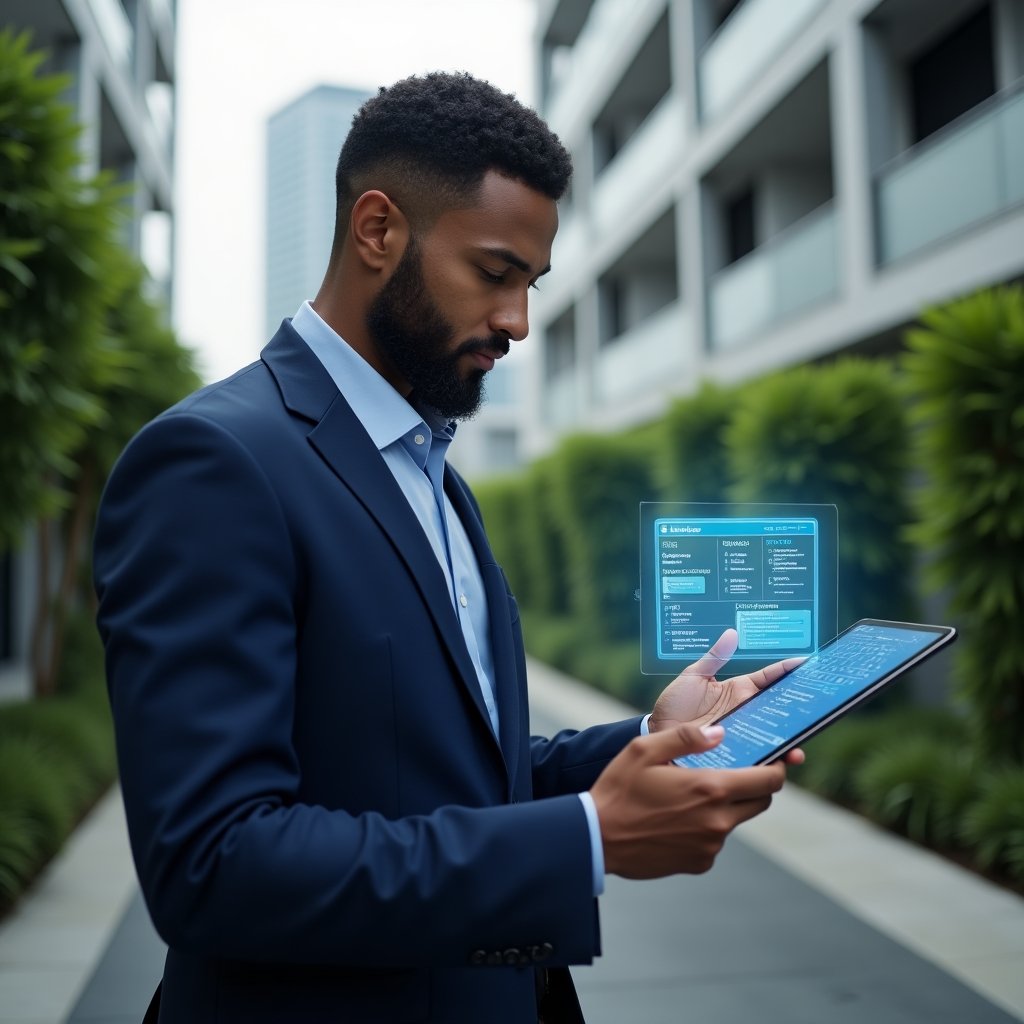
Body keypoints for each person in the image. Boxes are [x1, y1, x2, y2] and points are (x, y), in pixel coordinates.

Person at [93, 72, 802, 1024]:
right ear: (377, 230)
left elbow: (460, 770)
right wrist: (587, 840)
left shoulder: (432, 474)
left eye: (530, 286)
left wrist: (651, 744)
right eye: (496, 273)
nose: (517, 322)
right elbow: (215, 863)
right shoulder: (212, 462)